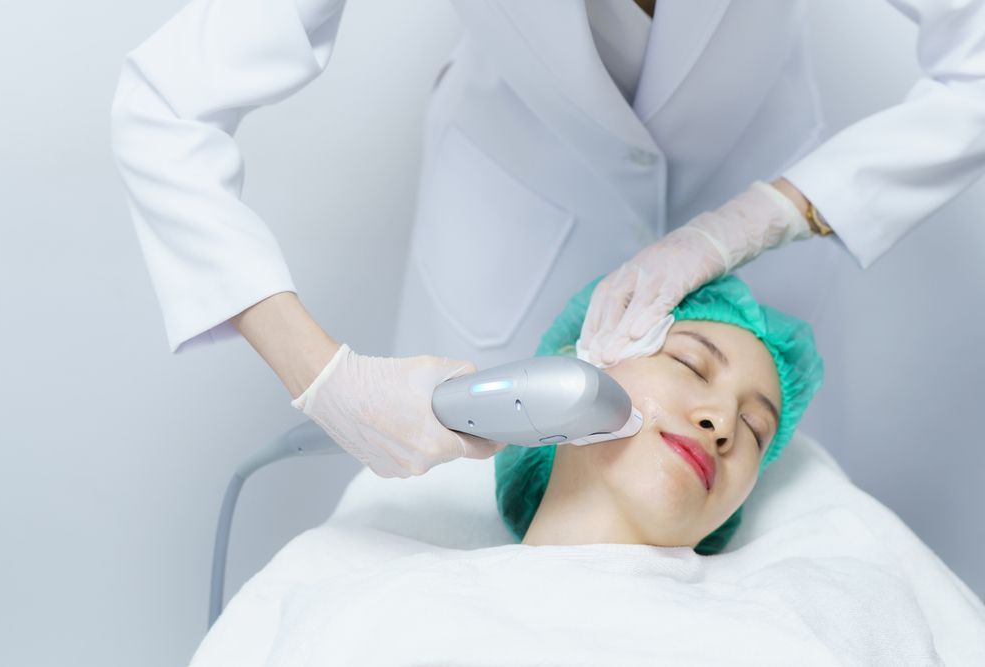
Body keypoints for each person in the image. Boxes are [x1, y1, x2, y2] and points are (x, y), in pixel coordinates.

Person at [109, 0, 985, 478]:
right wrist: (326, 378)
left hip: (758, 244)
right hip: (510, 227)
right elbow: (164, 107)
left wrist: (767, 215)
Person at [496, 273, 823, 554]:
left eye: (754, 429)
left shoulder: (770, 623)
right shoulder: (449, 598)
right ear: (580, 364)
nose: (723, 422)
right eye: (691, 364)